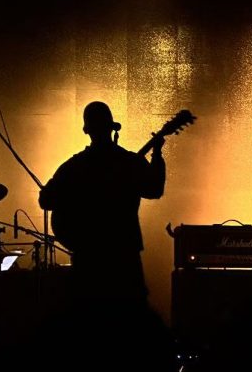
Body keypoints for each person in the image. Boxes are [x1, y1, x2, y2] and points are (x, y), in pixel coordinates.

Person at [38, 101, 166, 305]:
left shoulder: (74, 166)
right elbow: (154, 189)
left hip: (88, 257)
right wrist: (157, 154)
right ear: (112, 128)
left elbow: (46, 200)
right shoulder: (129, 162)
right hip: (124, 256)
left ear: (86, 130)